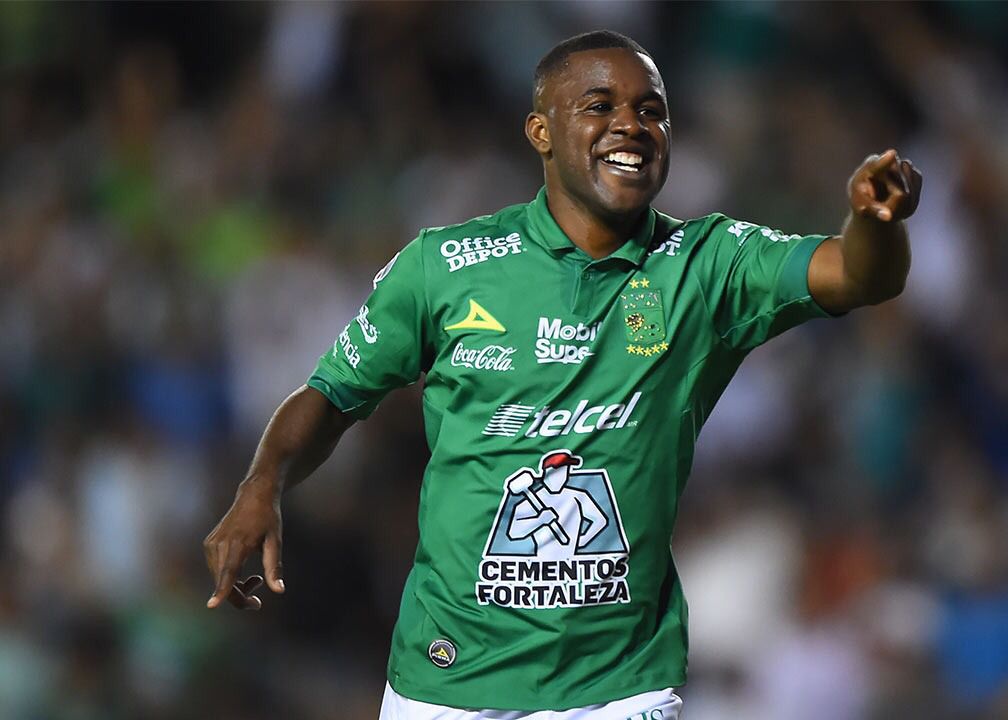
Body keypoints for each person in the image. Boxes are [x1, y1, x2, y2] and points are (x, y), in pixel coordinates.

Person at [202, 29, 921, 719]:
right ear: (541, 132)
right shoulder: (444, 268)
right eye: (600, 106)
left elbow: (859, 275)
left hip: (619, 688)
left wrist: (877, 222)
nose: (631, 125)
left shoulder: (707, 265)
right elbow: (333, 395)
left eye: (651, 110)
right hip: (448, 676)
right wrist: (262, 484)